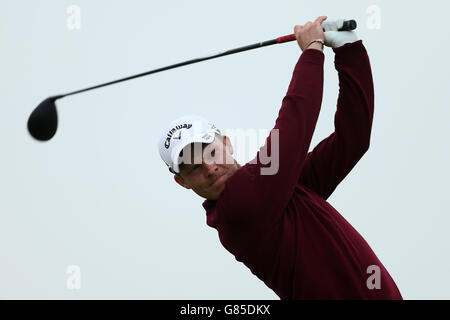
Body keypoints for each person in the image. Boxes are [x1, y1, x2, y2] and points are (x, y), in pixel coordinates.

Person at [158, 16, 402, 299]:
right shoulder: (238, 207)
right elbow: (293, 126)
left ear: (227, 143)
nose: (210, 168)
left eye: (210, 152)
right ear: (182, 182)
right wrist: (312, 51)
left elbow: (353, 138)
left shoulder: (278, 191)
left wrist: (350, 52)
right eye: (194, 168)